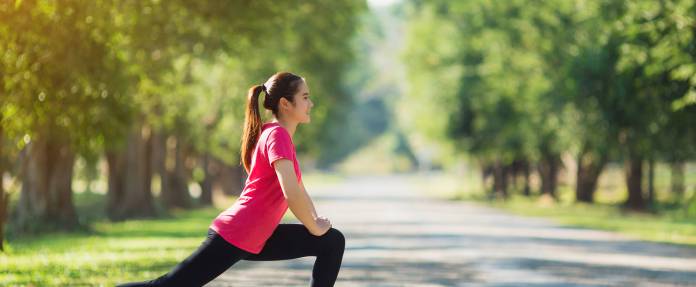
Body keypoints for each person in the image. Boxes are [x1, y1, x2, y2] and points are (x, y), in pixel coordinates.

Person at [117, 72, 345, 287]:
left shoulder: (277, 135)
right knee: (168, 285)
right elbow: (291, 193)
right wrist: (314, 227)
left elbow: (299, 190)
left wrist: (315, 221)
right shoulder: (277, 135)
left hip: (259, 235)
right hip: (239, 231)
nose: (310, 104)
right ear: (285, 103)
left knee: (332, 241)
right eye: (305, 97)